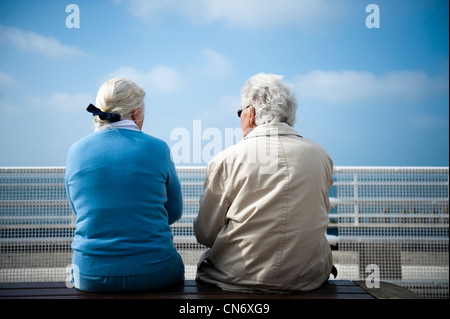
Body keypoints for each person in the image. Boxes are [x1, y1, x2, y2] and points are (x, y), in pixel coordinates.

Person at [194, 73, 335, 293]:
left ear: (250, 114)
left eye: (240, 112)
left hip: (237, 278)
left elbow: (205, 234)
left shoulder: (226, 159)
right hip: (309, 277)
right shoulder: (321, 156)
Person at [65, 78, 184, 293]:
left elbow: (80, 211)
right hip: (156, 272)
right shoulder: (158, 149)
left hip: (89, 275)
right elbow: (174, 212)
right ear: (137, 113)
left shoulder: (75, 151)